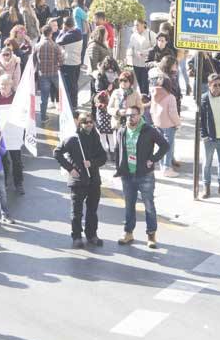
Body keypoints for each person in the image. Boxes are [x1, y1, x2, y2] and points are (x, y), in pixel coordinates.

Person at [114, 105, 168, 248]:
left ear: (140, 115)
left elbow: (165, 145)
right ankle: (128, 233)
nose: (130, 118)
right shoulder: (122, 131)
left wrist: (153, 159)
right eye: (128, 115)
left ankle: (151, 235)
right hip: (127, 175)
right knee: (129, 205)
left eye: (133, 115)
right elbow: (117, 150)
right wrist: (119, 168)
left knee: (149, 205)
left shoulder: (149, 130)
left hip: (145, 175)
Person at [53, 112, 106, 248]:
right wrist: (70, 169)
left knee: (92, 210)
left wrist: (92, 163)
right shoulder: (73, 139)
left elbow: (103, 158)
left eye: (90, 122)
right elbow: (57, 152)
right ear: (80, 124)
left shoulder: (95, 137)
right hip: (78, 181)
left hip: (94, 180)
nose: (89, 124)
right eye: (85, 122)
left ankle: (92, 234)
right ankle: (76, 236)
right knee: (76, 211)